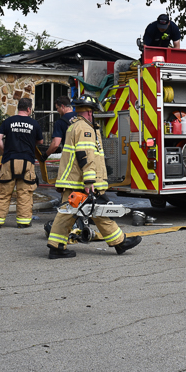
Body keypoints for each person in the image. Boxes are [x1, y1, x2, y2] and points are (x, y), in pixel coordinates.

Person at [46, 96, 141, 259]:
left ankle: (119, 242)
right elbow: (86, 155)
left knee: (94, 210)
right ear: (90, 112)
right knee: (72, 213)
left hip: (75, 180)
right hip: (80, 181)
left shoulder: (76, 125)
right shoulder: (85, 128)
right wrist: (90, 180)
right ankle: (57, 247)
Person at [0, 97, 43, 229]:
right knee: (25, 193)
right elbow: (40, 141)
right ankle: (23, 222)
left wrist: (6, 151)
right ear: (28, 109)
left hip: (9, 161)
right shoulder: (34, 123)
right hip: (27, 161)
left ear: (18, 108)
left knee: (3, 192)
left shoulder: (8, 121)